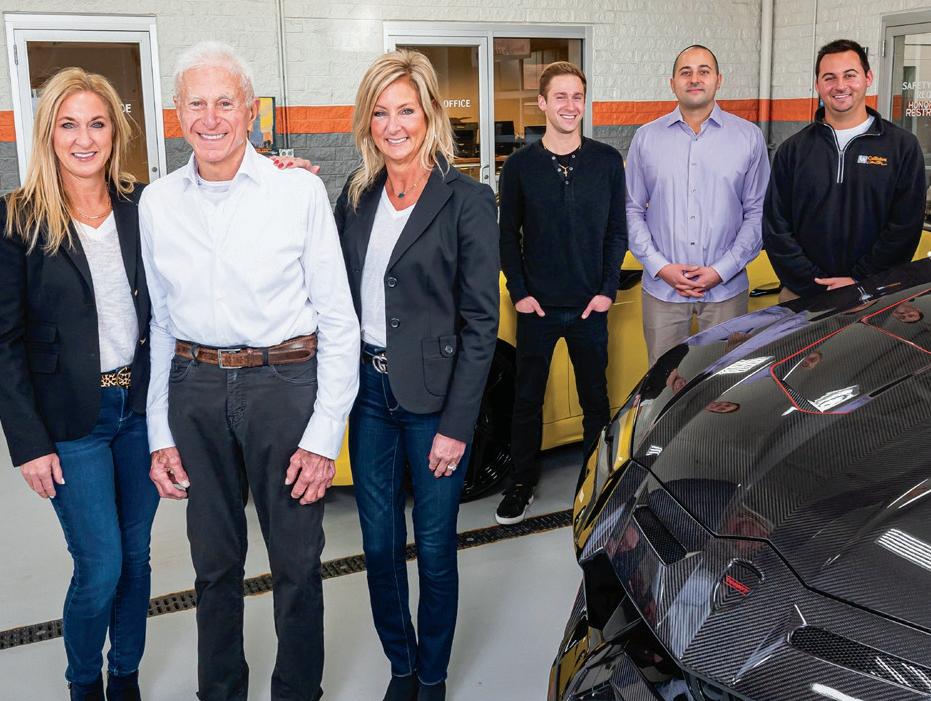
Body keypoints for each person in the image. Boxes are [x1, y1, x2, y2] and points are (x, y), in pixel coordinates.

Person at [140, 42, 359, 701]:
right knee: (213, 566)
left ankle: (297, 691)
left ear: (250, 111)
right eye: (196, 103)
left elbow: (338, 318)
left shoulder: (297, 190)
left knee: (296, 562)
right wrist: (159, 431)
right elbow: (160, 322)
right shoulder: (157, 203)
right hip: (195, 386)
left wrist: (324, 434)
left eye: (224, 102)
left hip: (282, 386)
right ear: (177, 113)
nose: (210, 118)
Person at [334, 50, 499, 701]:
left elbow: (481, 322)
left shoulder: (467, 200)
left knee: (433, 548)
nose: (393, 125)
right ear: (366, 121)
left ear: (430, 114)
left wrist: (458, 426)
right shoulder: (355, 196)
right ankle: (400, 666)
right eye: (380, 112)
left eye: (406, 110)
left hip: (434, 403)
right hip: (368, 396)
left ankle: (431, 676)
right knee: (378, 546)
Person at [0, 68, 157, 701]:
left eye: (97, 124)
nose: (84, 138)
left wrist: (280, 177)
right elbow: (5, 341)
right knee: (101, 565)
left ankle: (127, 678)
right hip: (71, 422)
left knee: (137, 559)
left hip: (139, 412)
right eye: (69, 125)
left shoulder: (142, 207)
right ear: (48, 133)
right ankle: (84, 683)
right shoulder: (18, 219)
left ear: (115, 132)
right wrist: (28, 443)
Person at [496, 61, 627, 524]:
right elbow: (507, 236)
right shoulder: (520, 166)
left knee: (596, 401)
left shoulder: (607, 162)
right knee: (527, 400)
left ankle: (593, 484)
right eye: (560, 97)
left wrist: (606, 291)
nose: (570, 106)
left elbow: (617, 232)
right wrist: (520, 292)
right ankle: (521, 483)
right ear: (543, 103)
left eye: (577, 97)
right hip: (538, 308)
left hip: (591, 307)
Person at [626, 45, 770, 366]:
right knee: (663, 380)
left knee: (724, 381)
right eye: (685, 72)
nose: (694, 79)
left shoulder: (748, 138)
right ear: (672, 83)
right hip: (662, 292)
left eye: (703, 71)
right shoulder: (646, 138)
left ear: (718, 80)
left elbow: (758, 212)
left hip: (726, 292)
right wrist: (660, 267)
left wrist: (722, 271)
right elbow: (631, 209)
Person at [764, 38, 926, 301]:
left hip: (876, 294)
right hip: (803, 295)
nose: (840, 85)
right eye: (829, 78)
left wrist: (861, 280)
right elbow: (776, 227)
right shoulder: (792, 150)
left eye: (850, 75)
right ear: (818, 84)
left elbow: (905, 227)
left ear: (868, 78)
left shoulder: (902, 147)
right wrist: (815, 284)